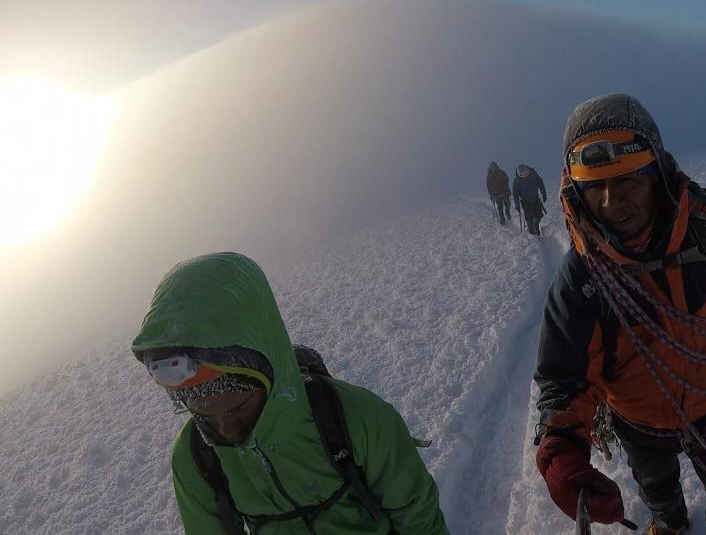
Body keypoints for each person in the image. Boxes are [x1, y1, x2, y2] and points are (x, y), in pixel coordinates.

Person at [534, 93, 706, 535]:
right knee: (657, 488)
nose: (613, 202)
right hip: (639, 422)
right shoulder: (583, 277)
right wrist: (560, 453)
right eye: (595, 188)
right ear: (577, 192)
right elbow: (564, 375)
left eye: (629, 180)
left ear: (657, 175)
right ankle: (669, 521)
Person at [131, 252, 449, 535]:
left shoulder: (359, 420)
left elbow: (419, 521)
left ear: (269, 376)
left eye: (238, 408)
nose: (225, 430)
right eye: (202, 414)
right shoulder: (195, 457)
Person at [513, 163, 547, 235]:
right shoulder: (517, 181)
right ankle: (531, 232)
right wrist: (517, 205)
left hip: (536, 200)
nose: (525, 175)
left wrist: (544, 193)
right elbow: (515, 194)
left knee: (538, 215)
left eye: (526, 173)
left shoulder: (534, 175)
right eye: (523, 174)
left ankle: (535, 226)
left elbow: (540, 183)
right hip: (526, 202)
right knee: (529, 218)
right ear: (519, 175)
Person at [486, 161, 512, 225]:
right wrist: (491, 195)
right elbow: (489, 186)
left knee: (508, 205)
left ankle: (507, 212)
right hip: (497, 195)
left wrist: (507, 190)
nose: (493, 169)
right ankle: (502, 219)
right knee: (500, 207)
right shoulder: (489, 176)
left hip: (505, 192)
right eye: (492, 168)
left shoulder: (502, 172)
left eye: (494, 167)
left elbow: (506, 180)